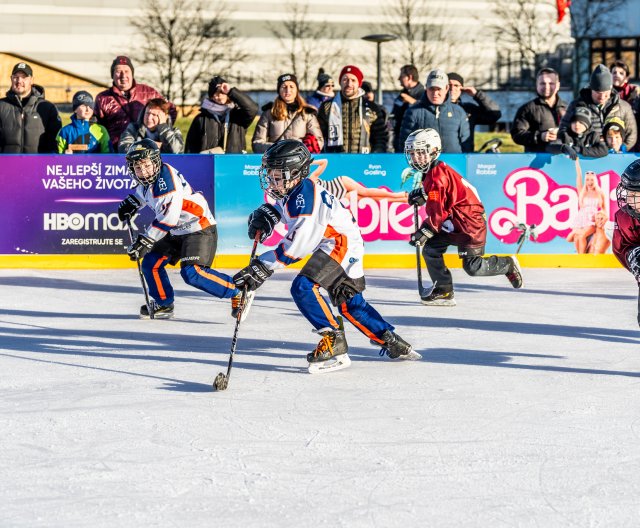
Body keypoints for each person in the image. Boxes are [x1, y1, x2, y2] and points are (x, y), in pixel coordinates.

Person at [232, 139, 420, 373]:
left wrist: (262, 266)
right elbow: (286, 209)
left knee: (303, 287)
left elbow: (297, 246)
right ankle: (392, 341)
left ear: (294, 172)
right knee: (350, 303)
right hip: (341, 243)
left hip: (340, 244)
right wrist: (270, 214)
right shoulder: (297, 189)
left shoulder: (306, 201)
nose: (271, 180)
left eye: (276, 174)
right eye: (269, 174)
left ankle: (334, 340)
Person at [117, 139, 251, 320]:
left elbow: (168, 219)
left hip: (198, 227)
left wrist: (145, 240)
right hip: (176, 231)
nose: (143, 172)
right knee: (150, 263)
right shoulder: (150, 178)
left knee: (192, 273)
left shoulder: (166, 184)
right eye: (138, 168)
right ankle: (164, 303)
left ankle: (237, 291)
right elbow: (145, 193)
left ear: (156, 162)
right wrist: (135, 202)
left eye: (146, 166)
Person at [404, 128, 523, 306]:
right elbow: (445, 196)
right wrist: (424, 193)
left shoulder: (438, 177)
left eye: (421, 153)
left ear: (434, 151)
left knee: (473, 267)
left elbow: (438, 212)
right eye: (413, 153)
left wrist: (424, 231)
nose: (416, 158)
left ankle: (507, 264)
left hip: (469, 224)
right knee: (431, 249)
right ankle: (444, 290)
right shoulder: (434, 171)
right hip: (453, 221)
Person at [94, 56, 177, 149]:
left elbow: (170, 110)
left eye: (126, 71)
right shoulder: (102, 98)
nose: (123, 75)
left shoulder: (149, 92)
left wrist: (160, 133)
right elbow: (97, 126)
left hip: (146, 152)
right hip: (116, 151)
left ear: (132, 73)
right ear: (112, 75)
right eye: (118, 71)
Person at [560, 64, 637, 151]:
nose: (602, 96)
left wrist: (622, 148)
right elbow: (563, 128)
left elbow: (632, 134)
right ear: (591, 89)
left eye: (606, 92)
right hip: (587, 155)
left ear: (611, 89)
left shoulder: (624, 107)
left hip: (616, 156)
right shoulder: (576, 105)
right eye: (598, 92)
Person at [317, 64, 388, 153]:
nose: (349, 84)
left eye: (353, 80)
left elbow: (380, 138)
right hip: (335, 161)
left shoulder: (372, 108)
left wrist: (375, 157)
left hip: (364, 162)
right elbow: (318, 137)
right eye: (345, 79)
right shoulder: (327, 107)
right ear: (340, 82)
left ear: (359, 83)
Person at [399, 69, 471, 153]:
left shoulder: (458, 112)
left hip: (453, 164)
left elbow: (466, 144)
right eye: (432, 89)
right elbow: (404, 144)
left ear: (446, 88)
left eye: (439, 89)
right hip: (425, 164)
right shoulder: (413, 112)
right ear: (426, 88)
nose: (435, 93)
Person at [252, 73, 323, 154]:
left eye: (291, 86)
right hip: (276, 161)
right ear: (279, 90)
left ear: (297, 90)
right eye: (284, 87)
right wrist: (278, 149)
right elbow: (257, 143)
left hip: (299, 161)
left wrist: (302, 149)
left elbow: (319, 141)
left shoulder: (307, 113)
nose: (288, 90)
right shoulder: (269, 112)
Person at [185, 75, 258, 154]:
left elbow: (252, 109)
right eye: (215, 93)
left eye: (222, 92)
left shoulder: (238, 115)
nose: (219, 96)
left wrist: (230, 91)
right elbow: (190, 147)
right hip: (208, 163)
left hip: (234, 163)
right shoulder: (201, 118)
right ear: (211, 97)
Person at [0, 62, 61, 153]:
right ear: (11, 79)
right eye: (15, 77)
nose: (19, 81)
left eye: (24, 77)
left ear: (32, 80)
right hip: (7, 165)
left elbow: (54, 144)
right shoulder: (1, 106)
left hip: (38, 166)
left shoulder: (48, 108)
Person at [511, 67, 568, 152]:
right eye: (542, 83)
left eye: (551, 83)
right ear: (537, 85)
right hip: (535, 162)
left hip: (563, 160)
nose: (546, 87)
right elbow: (517, 135)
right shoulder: (527, 109)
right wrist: (539, 136)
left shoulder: (568, 108)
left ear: (558, 85)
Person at [612, 158, 640, 326]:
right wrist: (634, 258)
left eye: (634, 194)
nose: (628, 200)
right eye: (627, 193)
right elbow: (621, 248)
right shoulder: (624, 217)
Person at [309, 158, 407, 202]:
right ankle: (402, 200)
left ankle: (397, 195)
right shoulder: (303, 191)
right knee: (370, 199)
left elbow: (324, 162)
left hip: (340, 183)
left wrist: (309, 162)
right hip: (339, 197)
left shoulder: (311, 178)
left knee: (366, 192)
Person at [447, 72, 501, 151]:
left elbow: (495, 114)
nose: (452, 89)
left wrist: (477, 94)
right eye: (449, 85)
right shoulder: (435, 108)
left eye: (456, 85)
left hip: (465, 156)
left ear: (462, 88)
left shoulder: (468, 109)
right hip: (442, 158)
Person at [566, 164, 607, 254]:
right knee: (574, 238)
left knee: (581, 236)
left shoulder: (600, 193)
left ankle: (581, 258)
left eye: (592, 179)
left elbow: (605, 210)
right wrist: (576, 161)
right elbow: (579, 175)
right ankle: (581, 255)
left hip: (592, 220)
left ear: (595, 180)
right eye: (587, 179)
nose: (589, 182)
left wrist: (600, 216)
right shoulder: (582, 192)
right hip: (581, 219)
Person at [118, 98, 184, 153]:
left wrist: (163, 127)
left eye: (154, 115)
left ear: (164, 116)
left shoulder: (175, 132)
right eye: (147, 113)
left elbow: (177, 151)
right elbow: (123, 148)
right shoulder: (133, 129)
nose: (149, 118)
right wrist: (149, 145)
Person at [392, 65, 424, 153]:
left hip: (417, 143)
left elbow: (426, 111)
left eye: (401, 76)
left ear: (409, 77)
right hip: (400, 141)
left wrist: (412, 101)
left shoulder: (424, 94)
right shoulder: (402, 94)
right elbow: (395, 114)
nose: (399, 79)